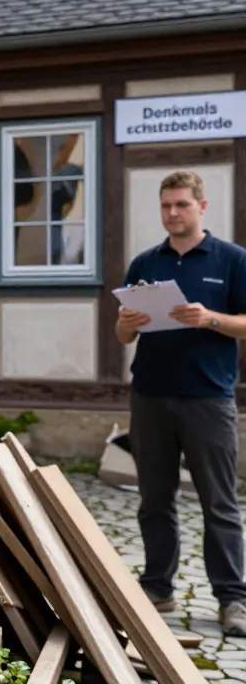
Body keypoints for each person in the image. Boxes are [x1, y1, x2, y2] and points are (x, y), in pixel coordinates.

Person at [115, 169, 246, 636]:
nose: (172, 213)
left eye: (182, 204)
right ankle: (157, 588)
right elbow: (122, 335)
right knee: (154, 501)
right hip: (150, 396)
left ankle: (233, 599)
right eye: (166, 205)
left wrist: (210, 319)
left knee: (220, 504)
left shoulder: (232, 260)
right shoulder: (145, 262)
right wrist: (127, 323)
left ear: (201, 207)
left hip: (208, 399)